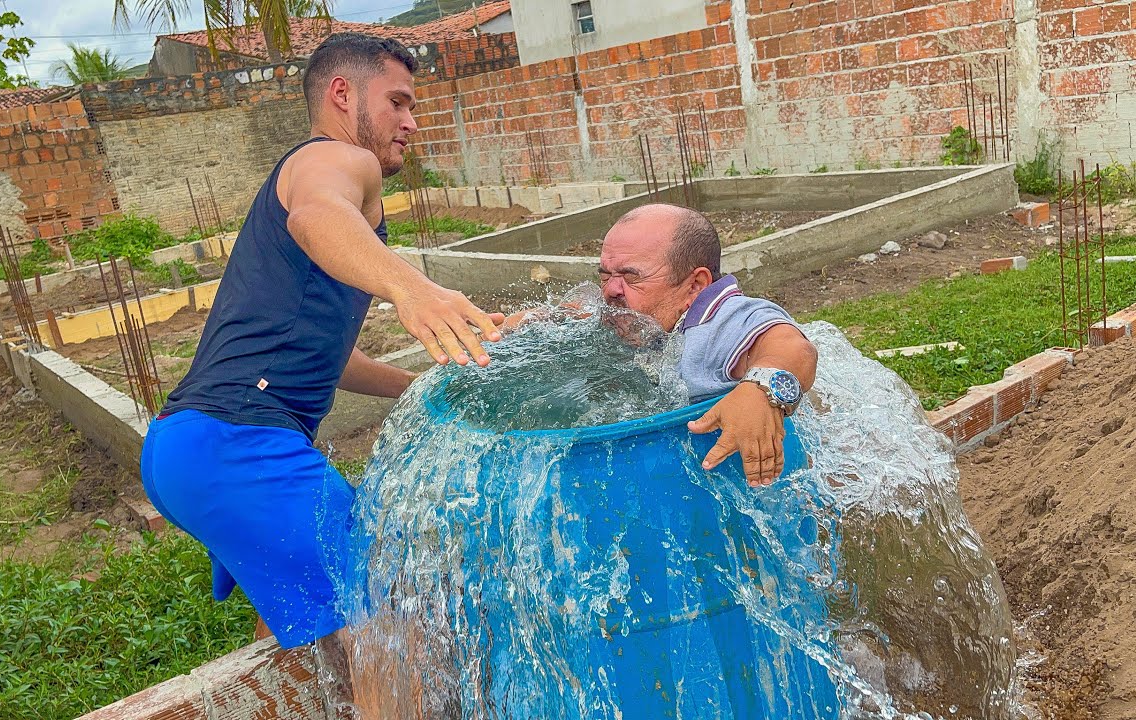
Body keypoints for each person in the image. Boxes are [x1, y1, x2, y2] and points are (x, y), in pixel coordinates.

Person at [138, 31, 503, 680]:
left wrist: (423, 383)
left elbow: (332, 359)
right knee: (396, 626)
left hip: (189, 444)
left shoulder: (335, 181)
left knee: (310, 637)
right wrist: (412, 287)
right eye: (398, 101)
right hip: (237, 444)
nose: (412, 122)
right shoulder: (337, 163)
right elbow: (315, 214)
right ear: (342, 94)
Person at [514, 203, 818, 487]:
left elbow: (793, 348)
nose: (610, 291)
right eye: (606, 275)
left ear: (695, 285)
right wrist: (516, 323)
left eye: (631, 278)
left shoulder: (723, 320)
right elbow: (579, 310)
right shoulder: (644, 315)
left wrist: (762, 391)